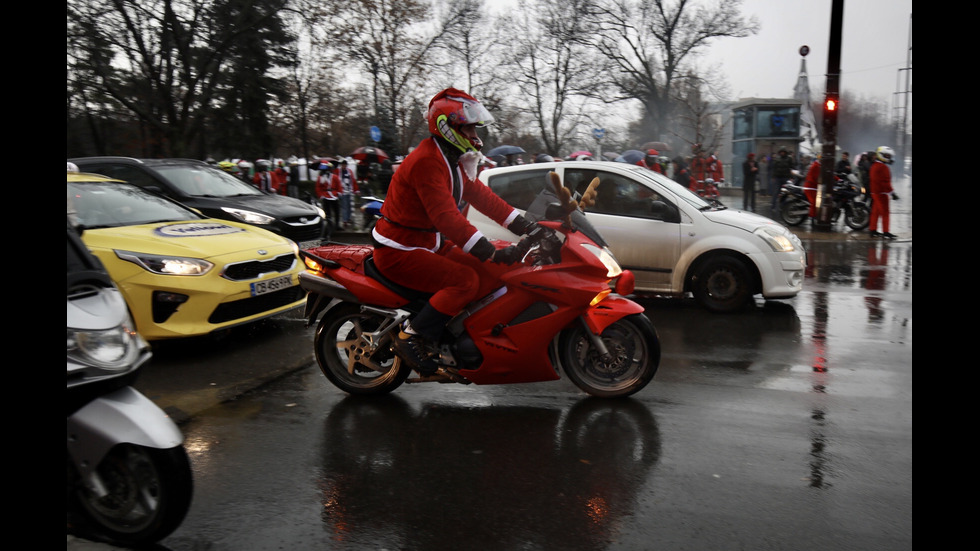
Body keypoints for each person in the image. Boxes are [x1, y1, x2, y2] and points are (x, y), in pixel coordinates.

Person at [371, 88, 538, 375]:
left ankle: (460, 333)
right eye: (469, 127)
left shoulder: (450, 159)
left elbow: (483, 198)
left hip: (427, 243)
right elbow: (446, 217)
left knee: (492, 271)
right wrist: (487, 249)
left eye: (474, 127)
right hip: (400, 250)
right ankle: (411, 335)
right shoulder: (427, 161)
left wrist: (526, 225)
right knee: (465, 281)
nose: (474, 134)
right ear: (448, 128)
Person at [869, 146, 898, 239]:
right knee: (885, 213)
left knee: (875, 212)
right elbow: (885, 182)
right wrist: (892, 193)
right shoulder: (884, 167)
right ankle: (886, 232)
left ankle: (873, 230)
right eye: (887, 156)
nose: (888, 158)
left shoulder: (874, 165)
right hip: (882, 193)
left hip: (874, 192)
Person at [331, 159, 359, 228]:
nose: (344, 166)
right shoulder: (337, 171)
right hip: (342, 192)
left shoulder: (349, 172)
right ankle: (345, 220)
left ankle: (348, 218)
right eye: (343, 165)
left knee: (350, 206)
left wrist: (356, 190)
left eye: (345, 165)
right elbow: (335, 181)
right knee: (344, 206)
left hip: (349, 191)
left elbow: (353, 181)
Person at [315, 162, 339, 231]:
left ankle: (337, 224)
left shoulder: (335, 177)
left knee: (336, 211)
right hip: (325, 196)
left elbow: (339, 186)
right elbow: (318, 187)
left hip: (334, 195)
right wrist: (320, 195)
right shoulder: (321, 178)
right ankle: (329, 225)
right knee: (327, 212)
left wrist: (338, 193)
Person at [770, 147, 794, 211]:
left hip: (785, 178)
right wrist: (773, 177)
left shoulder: (789, 159)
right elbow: (774, 169)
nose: (782, 153)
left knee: (785, 193)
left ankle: (782, 206)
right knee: (776, 192)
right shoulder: (777, 159)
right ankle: (773, 206)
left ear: (785, 152)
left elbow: (791, 168)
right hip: (778, 178)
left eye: (783, 152)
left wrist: (791, 177)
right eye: (781, 152)